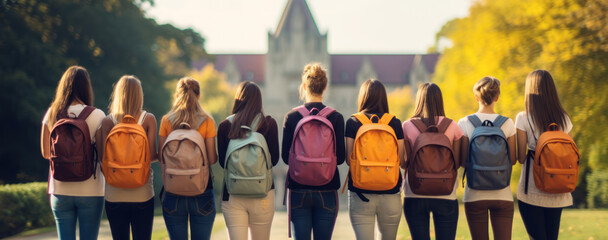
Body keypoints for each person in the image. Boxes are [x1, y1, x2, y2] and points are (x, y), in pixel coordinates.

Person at [40, 66, 106, 240]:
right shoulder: (97, 115)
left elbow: (46, 153)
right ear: (86, 87)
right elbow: (103, 155)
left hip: (60, 188)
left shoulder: (52, 112)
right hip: (90, 190)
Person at [282, 63, 345, 240]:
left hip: (298, 187)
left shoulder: (292, 117)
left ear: (304, 87)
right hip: (327, 186)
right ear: (325, 87)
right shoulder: (336, 118)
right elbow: (340, 159)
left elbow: (285, 158)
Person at [96, 75, 157, 240]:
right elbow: (151, 155)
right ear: (139, 95)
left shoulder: (108, 121)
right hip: (142, 191)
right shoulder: (148, 119)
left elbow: (102, 158)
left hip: (114, 192)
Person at [217, 81, 280, 240]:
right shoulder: (268, 124)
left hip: (233, 193)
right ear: (259, 100)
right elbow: (275, 159)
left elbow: (223, 162)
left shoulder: (225, 126)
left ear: (238, 99)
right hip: (263, 193)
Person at [515, 70, 573, 240]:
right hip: (559, 189)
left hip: (532, 188)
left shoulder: (523, 118)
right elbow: (569, 152)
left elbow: (520, 157)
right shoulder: (564, 118)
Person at [345, 79, 406, 240]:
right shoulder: (395, 123)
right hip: (390, 191)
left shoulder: (353, 122)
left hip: (360, 193)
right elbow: (400, 159)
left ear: (363, 97)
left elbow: (349, 159)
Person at [402, 82, 464, 240]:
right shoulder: (453, 126)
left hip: (414, 194)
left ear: (419, 100)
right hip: (446, 194)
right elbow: (456, 163)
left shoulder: (407, 126)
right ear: (439, 100)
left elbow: (404, 163)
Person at [158, 77, 217, 240]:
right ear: (199, 96)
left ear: (177, 96)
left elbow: (161, 157)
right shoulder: (207, 121)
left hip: (173, 191)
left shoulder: (166, 121)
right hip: (201, 190)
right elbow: (211, 159)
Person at [458, 77, 516, 240]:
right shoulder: (508, 124)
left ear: (476, 97)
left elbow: (462, 161)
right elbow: (512, 159)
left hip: (475, 194)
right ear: (497, 97)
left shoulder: (464, 123)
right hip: (502, 193)